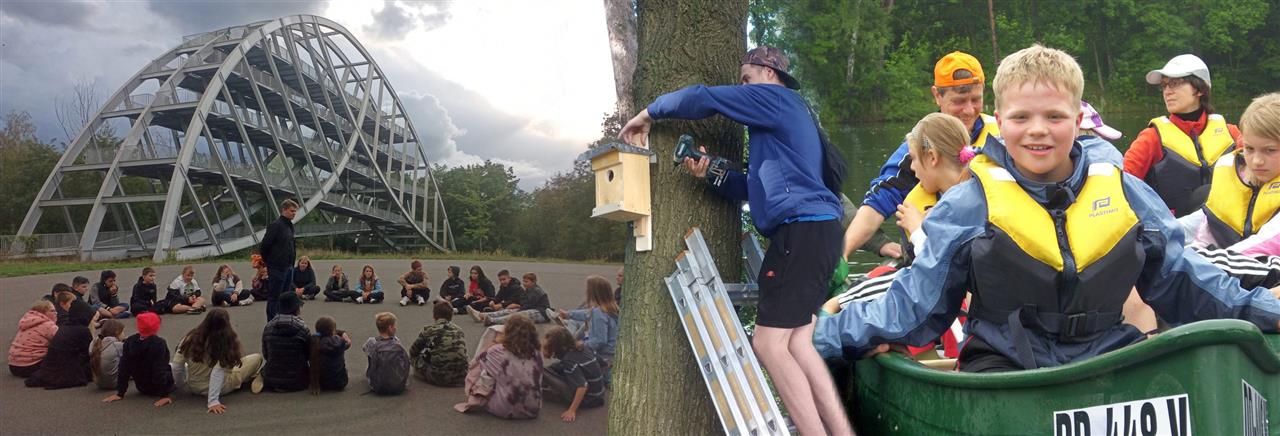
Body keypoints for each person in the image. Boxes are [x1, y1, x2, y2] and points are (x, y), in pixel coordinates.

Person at [812, 44, 1280, 374]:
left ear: (1078, 121)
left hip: (1109, 351)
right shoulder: (968, 205)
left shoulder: (1127, 194)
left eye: (1054, 117)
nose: (1038, 131)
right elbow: (913, 308)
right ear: (1000, 120)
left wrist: (1268, 311)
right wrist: (818, 338)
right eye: (1020, 118)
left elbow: (1190, 282)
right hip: (1003, 361)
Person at [619, 45, 851, 434]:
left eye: (746, 78)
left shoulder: (775, 98)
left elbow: (702, 97)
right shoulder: (786, 122)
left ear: (769, 73)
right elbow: (756, 188)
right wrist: (712, 172)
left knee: (769, 346)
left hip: (801, 232)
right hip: (820, 232)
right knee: (797, 345)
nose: (742, 87)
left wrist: (647, 113)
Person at [842, 51, 1002, 263]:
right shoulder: (919, 147)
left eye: (976, 99)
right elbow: (880, 200)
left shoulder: (1003, 137)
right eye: (959, 101)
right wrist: (842, 255)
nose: (969, 110)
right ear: (937, 95)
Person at [1124, 54, 1242, 217]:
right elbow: (1122, 184)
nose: (1167, 91)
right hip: (1175, 231)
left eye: (1175, 84)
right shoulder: (1151, 138)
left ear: (1200, 89)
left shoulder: (1231, 133)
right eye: (1164, 86)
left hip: (1227, 223)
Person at [172, 308, 266, 414]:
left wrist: (179, 384)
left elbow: (176, 366)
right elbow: (217, 372)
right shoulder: (225, 340)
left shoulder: (189, 337)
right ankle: (253, 377)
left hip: (193, 385)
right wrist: (213, 401)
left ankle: (250, 377)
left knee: (180, 366)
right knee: (256, 358)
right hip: (220, 386)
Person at [454, 314, 543, 419]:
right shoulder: (537, 352)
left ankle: (477, 396)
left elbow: (478, 360)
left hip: (506, 409)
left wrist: (495, 341)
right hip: (533, 409)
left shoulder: (498, 351)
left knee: (481, 368)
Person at [26, 291, 95, 389]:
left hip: (51, 366)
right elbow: (87, 355)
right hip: (65, 369)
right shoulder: (83, 331)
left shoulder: (65, 326)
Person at [103, 312, 174, 407]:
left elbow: (124, 368)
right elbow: (159, 369)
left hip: (142, 386)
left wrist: (120, 392)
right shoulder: (159, 343)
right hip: (158, 388)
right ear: (156, 327)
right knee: (179, 368)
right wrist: (164, 395)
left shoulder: (130, 341)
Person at [541, 327, 606, 423]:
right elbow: (603, 363)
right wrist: (597, 381)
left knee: (542, 370)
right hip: (598, 395)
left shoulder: (569, 360)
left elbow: (582, 387)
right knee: (555, 367)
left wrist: (572, 410)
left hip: (588, 399)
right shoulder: (584, 347)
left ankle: (536, 389)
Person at [554, 276, 618, 368]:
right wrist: (568, 314)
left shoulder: (599, 313)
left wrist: (580, 345)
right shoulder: (609, 308)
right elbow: (587, 314)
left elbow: (600, 341)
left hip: (604, 358)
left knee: (566, 363)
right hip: (611, 355)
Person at [410, 301, 469, 387]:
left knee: (414, 358)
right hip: (461, 376)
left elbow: (413, 351)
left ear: (434, 316)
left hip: (440, 377)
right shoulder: (459, 330)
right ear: (451, 316)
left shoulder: (429, 330)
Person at [261, 292, 310, 392]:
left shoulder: (269, 326)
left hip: (272, 380)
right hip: (299, 380)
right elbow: (308, 353)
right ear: (296, 308)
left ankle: (264, 377)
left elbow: (266, 354)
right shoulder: (302, 327)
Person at [260, 199, 299, 321]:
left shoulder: (289, 226)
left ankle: (283, 320)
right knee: (275, 296)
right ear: (284, 210)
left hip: (288, 266)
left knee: (285, 296)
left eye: (295, 211)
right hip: (277, 267)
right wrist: (269, 262)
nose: (294, 213)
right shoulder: (276, 226)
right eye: (292, 211)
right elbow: (264, 246)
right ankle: (272, 322)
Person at [363, 312, 410, 395]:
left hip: (379, 387)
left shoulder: (371, 341)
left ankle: (375, 378)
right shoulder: (397, 341)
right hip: (398, 385)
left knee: (371, 358)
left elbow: (365, 350)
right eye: (395, 326)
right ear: (390, 327)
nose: (396, 328)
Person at [476, 273, 552, 325]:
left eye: (526, 282)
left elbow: (528, 305)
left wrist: (518, 309)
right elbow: (523, 303)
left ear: (533, 282)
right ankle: (483, 315)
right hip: (531, 309)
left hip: (541, 313)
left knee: (517, 315)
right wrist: (516, 307)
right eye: (523, 281)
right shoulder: (528, 290)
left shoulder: (536, 291)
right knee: (508, 311)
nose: (524, 283)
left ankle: (492, 320)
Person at [8, 300, 58, 377]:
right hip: (30, 366)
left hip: (14, 366)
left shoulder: (27, 322)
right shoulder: (48, 325)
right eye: (52, 311)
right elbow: (63, 340)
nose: (56, 313)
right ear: (43, 312)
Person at [309, 316, 350, 393]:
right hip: (340, 382)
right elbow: (348, 343)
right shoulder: (339, 342)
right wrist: (344, 335)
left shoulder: (314, 342)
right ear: (333, 331)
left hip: (321, 383)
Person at [90, 319, 124, 390]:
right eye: (122, 331)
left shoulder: (94, 343)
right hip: (114, 383)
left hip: (99, 383)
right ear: (117, 332)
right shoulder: (117, 345)